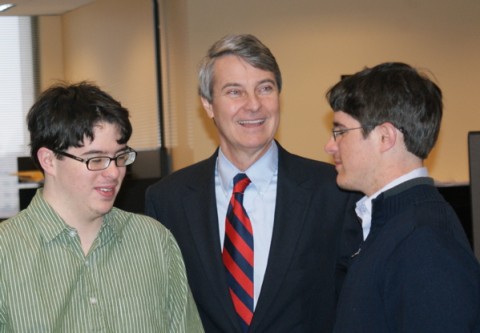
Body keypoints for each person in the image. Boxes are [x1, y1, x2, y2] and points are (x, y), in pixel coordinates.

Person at [145, 33, 362, 333]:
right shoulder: (168, 201)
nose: (254, 105)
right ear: (208, 105)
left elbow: (353, 303)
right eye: (235, 92)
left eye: (265, 88)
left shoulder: (335, 192)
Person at [0, 82, 203, 332]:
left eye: (120, 157)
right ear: (49, 160)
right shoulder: (6, 253)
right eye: (96, 159)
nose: (114, 172)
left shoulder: (154, 242)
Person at [324, 62, 480, 333]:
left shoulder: (425, 242)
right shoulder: (392, 224)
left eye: (340, 131)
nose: (330, 145)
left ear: (385, 137)